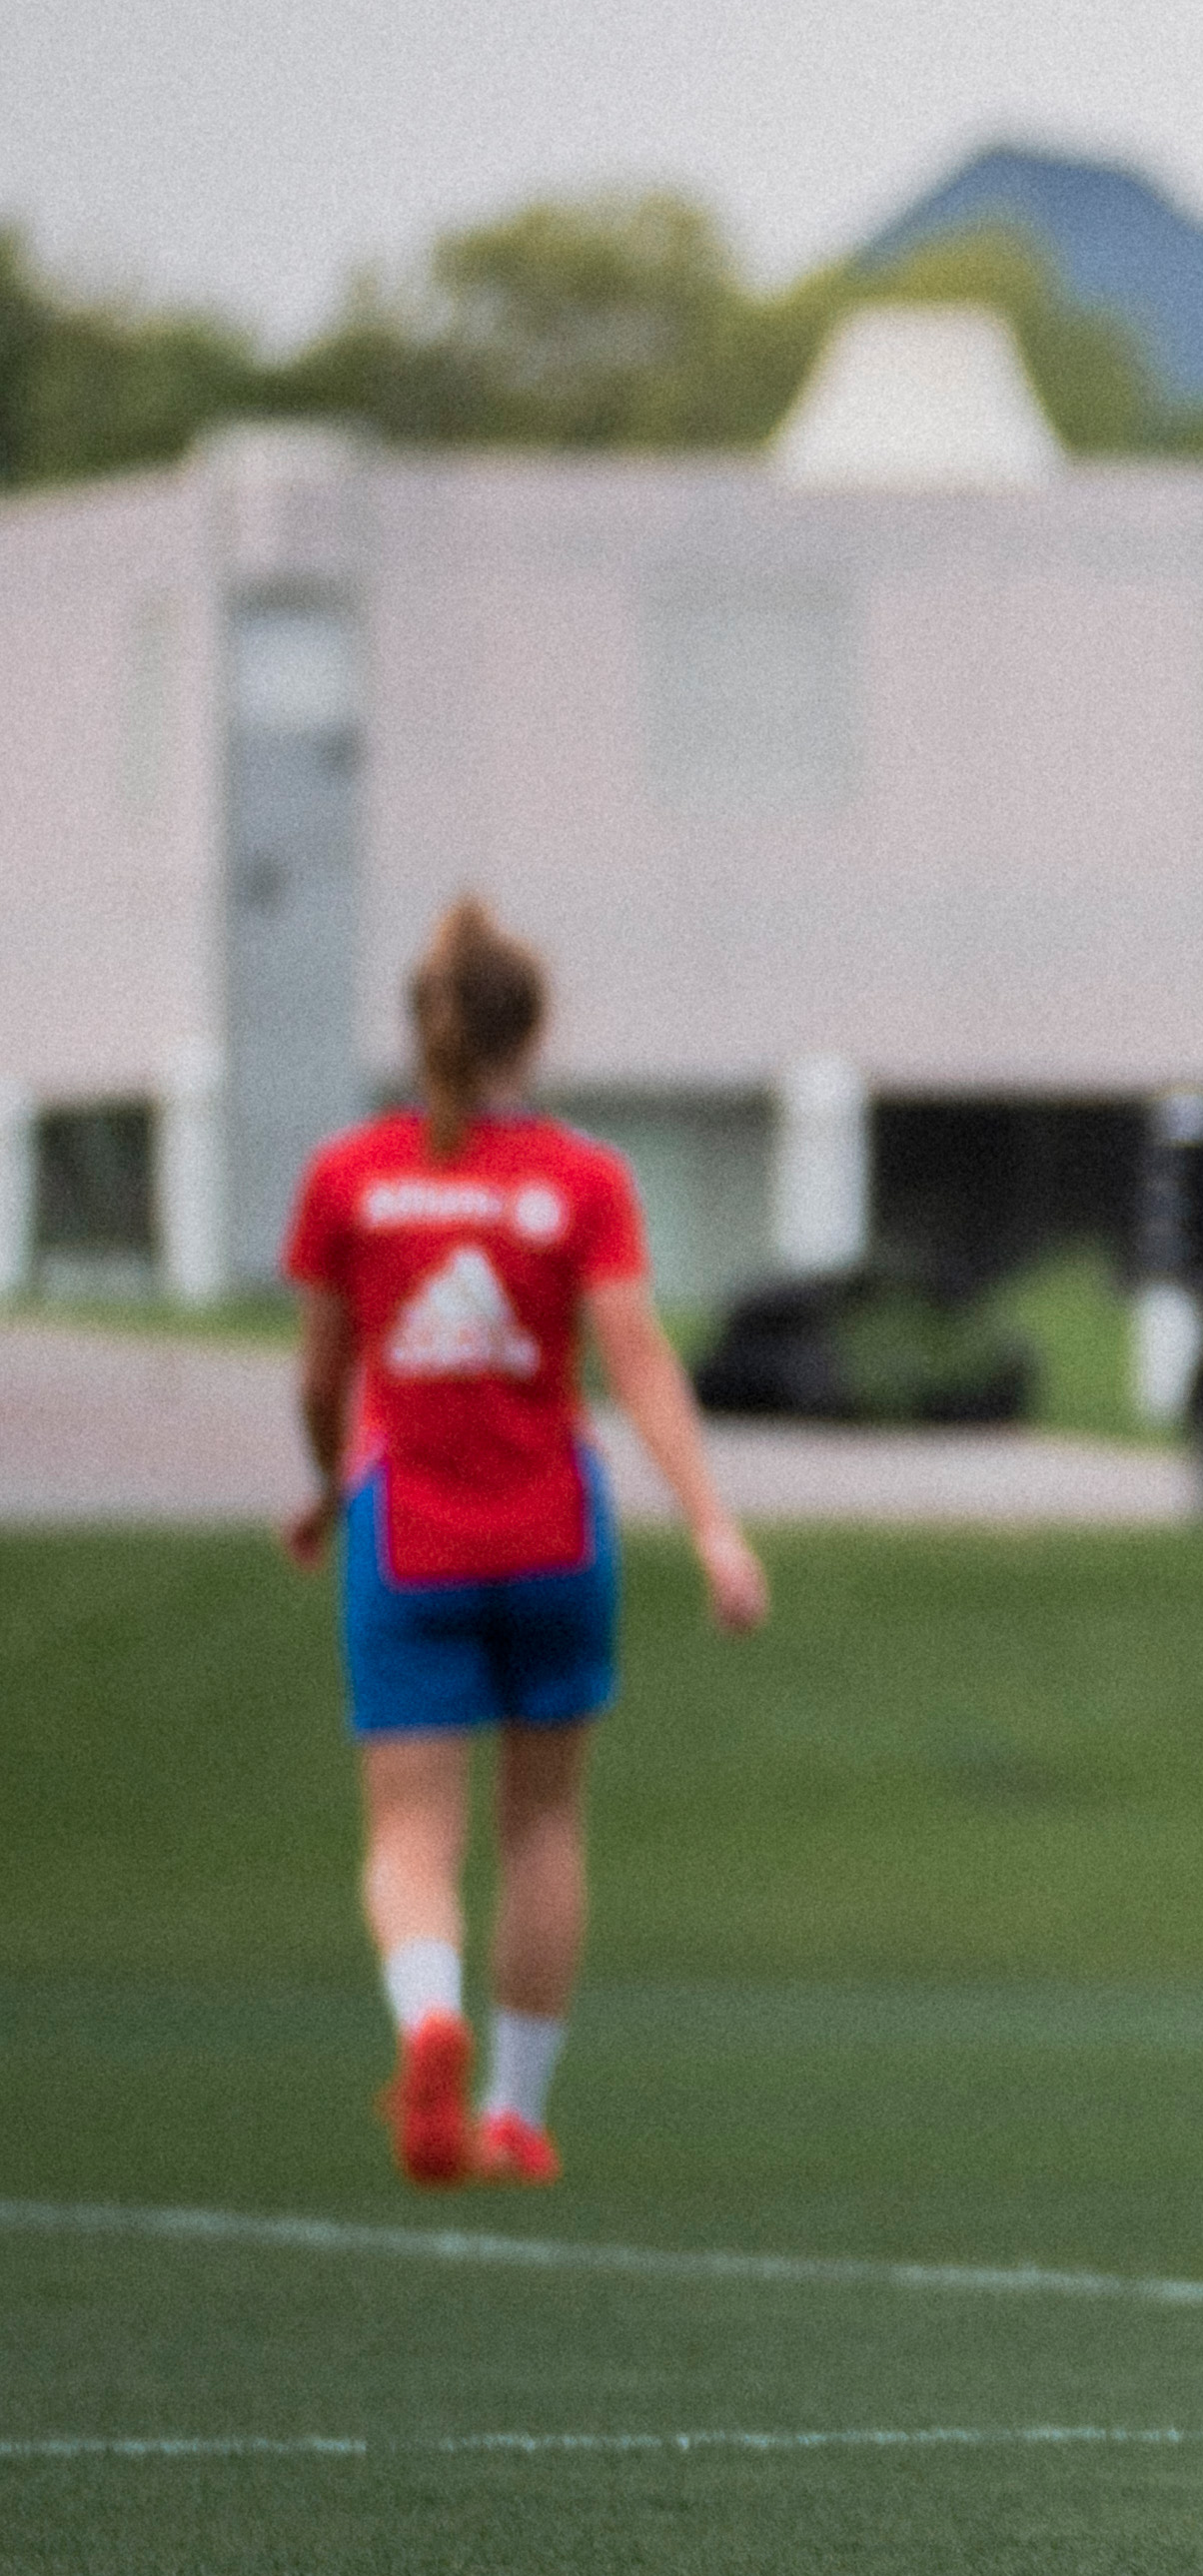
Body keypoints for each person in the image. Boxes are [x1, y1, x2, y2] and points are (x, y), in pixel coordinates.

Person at [279, 899, 770, 2187]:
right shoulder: (581, 1181)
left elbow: (323, 1380)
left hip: (412, 1537)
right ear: (534, 1036)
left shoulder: (351, 1178)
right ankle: (513, 2111)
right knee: (544, 1825)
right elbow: (640, 1360)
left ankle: (428, 2021)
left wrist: (328, 1487)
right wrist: (714, 1528)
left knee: (410, 1842)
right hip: (555, 1534)